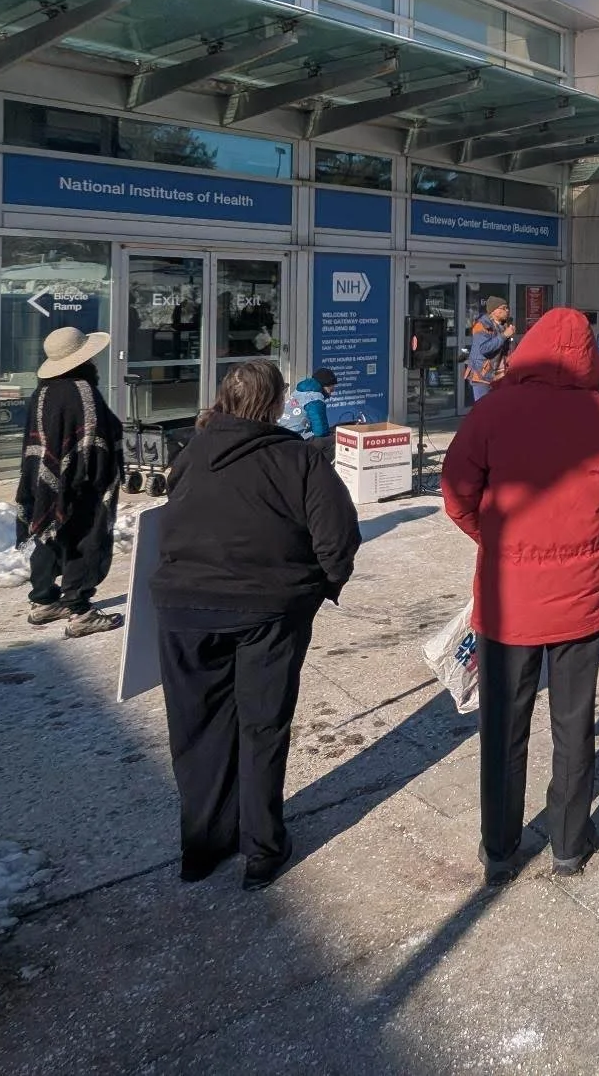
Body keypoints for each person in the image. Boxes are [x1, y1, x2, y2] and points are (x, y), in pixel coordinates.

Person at [441, 307, 599, 883]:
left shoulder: (494, 410)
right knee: (574, 725)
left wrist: (497, 537)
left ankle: (500, 848)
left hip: (510, 600)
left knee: (504, 725)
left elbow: (456, 493)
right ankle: (569, 842)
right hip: (582, 596)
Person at [151, 359, 361, 889]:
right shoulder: (299, 458)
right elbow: (338, 539)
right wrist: (317, 590)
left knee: (197, 727)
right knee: (262, 723)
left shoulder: (191, 453)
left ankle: (202, 845)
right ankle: (262, 848)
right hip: (268, 611)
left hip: (184, 609)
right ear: (273, 404)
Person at [16, 326, 126, 639]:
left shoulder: (43, 392)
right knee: (86, 538)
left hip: (45, 480)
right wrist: (100, 480)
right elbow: (94, 441)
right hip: (82, 481)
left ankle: (44, 600)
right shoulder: (82, 391)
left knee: (49, 533)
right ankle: (80, 611)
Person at [463, 297, 515, 403]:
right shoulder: (481, 325)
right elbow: (484, 348)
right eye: (504, 308)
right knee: (482, 409)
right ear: (494, 310)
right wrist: (504, 335)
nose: (507, 310)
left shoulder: (504, 326)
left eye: (507, 308)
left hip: (499, 376)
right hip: (482, 376)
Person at [278, 366, 339, 442]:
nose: (333, 390)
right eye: (332, 387)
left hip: (282, 431)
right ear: (325, 385)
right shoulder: (315, 399)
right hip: (295, 438)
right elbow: (320, 431)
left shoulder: (299, 391)